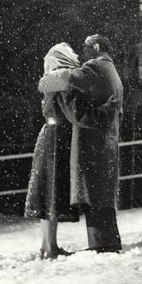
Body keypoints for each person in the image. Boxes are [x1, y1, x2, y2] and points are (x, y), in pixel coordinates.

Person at [25, 42, 115, 259]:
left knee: (48, 193)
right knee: (53, 192)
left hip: (48, 134)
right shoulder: (63, 82)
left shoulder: (50, 81)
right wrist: (103, 115)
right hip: (59, 139)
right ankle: (50, 248)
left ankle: (47, 245)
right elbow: (75, 112)